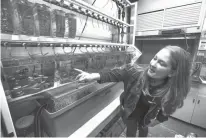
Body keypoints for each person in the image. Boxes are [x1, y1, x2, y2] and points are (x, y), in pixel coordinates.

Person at [75, 45, 192, 137]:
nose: (153, 64)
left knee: (143, 129)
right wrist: (94, 75)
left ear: (172, 72)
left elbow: (167, 109)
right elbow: (117, 73)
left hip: (146, 117)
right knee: (130, 132)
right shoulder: (135, 73)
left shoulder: (171, 92)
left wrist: (157, 120)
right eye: (155, 58)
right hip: (130, 113)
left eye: (161, 63)